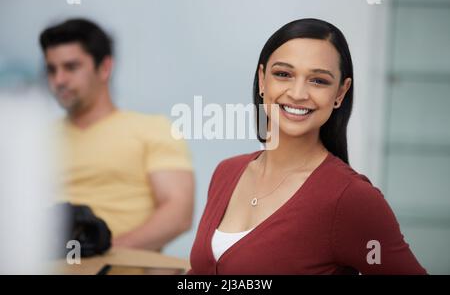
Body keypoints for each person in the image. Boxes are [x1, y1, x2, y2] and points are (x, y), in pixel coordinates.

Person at [189, 18, 427, 274]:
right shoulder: (227, 172)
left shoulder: (351, 199)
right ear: (262, 79)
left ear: (340, 93)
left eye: (318, 81)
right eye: (283, 74)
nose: (298, 93)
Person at [40, 18, 195, 251]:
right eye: (52, 70)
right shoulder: (35, 141)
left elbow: (179, 212)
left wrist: (103, 250)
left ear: (104, 68)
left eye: (71, 67)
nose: (59, 80)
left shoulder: (153, 130)